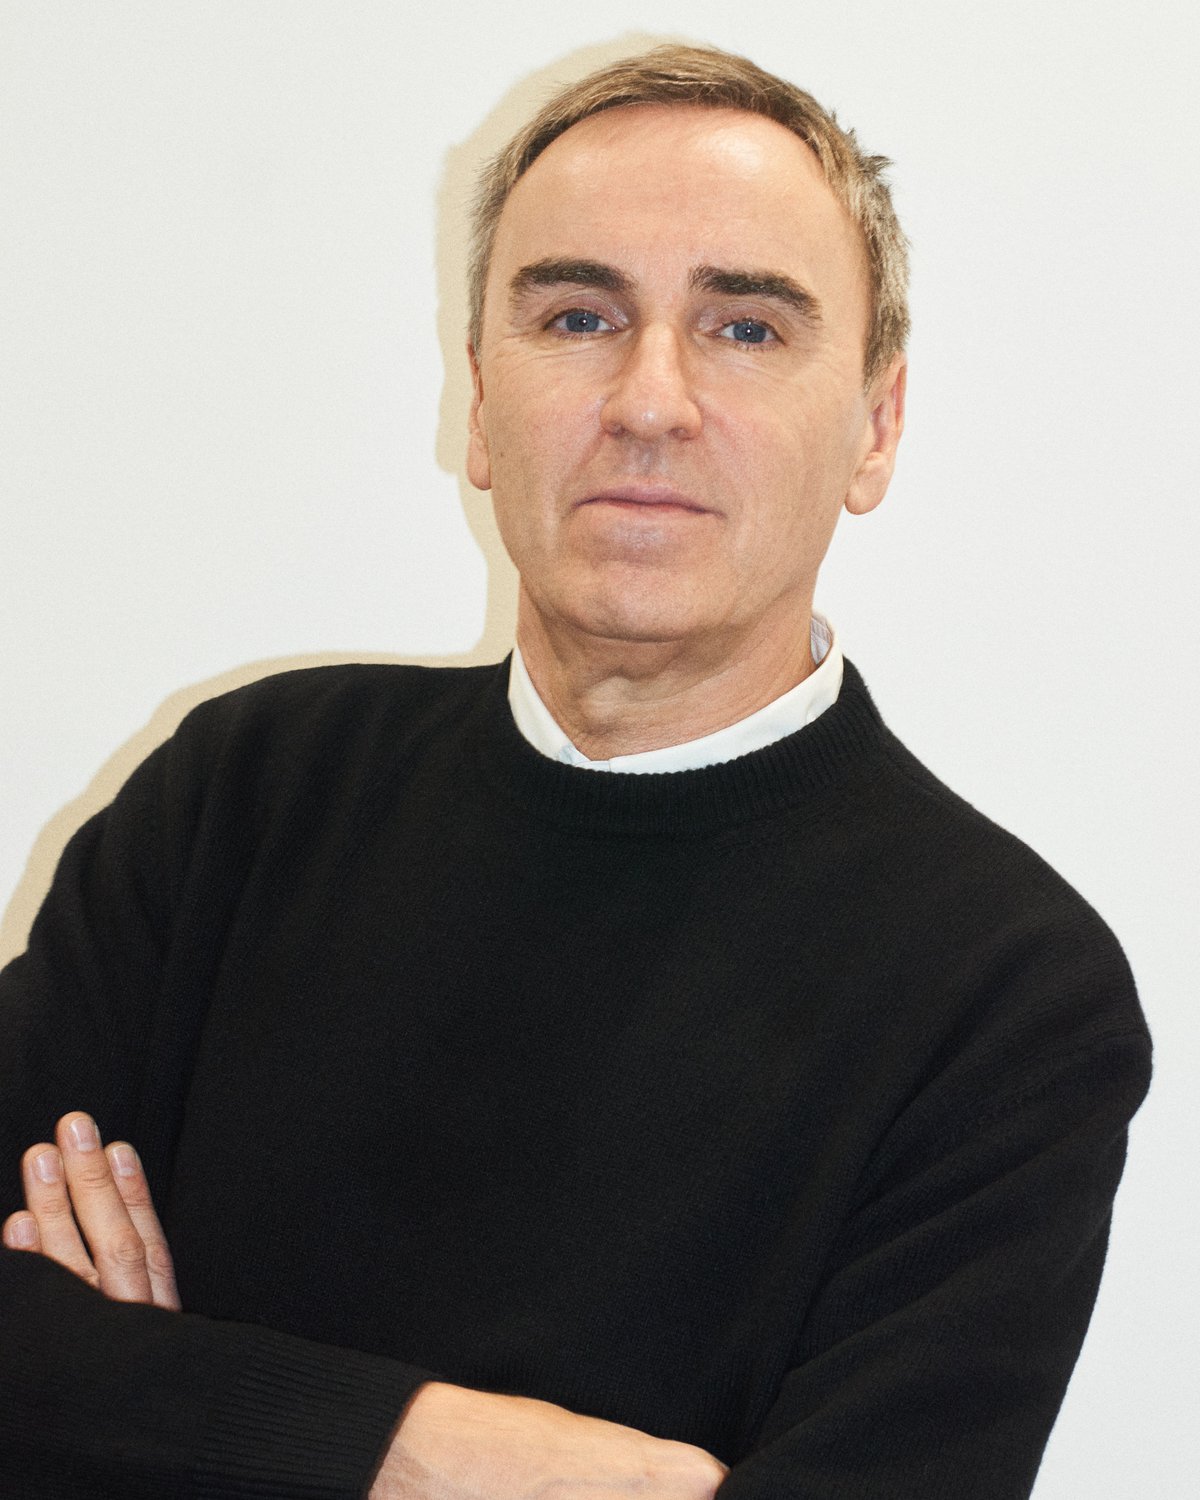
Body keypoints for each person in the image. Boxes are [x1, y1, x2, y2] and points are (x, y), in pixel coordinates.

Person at [0, 43, 1150, 1500]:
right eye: (579, 315)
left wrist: (141, 1404)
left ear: (877, 427)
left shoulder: (1010, 995)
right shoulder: (243, 797)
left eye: (746, 327)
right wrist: (426, 1452)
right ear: (481, 404)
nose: (651, 400)